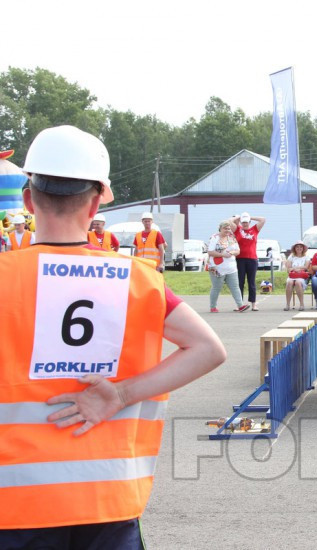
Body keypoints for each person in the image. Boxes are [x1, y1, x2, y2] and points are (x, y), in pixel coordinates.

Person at [0, 125, 226, 547]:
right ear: (95, 204)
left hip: (13, 504)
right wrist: (121, 394)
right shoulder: (138, 280)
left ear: (28, 200)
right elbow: (208, 349)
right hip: (108, 497)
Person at [206, 221, 249, 313]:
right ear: (220, 229)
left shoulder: (232, 237)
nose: (227, 230)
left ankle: (240, 305)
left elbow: (238, 251)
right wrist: (223, 255)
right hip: (217, 268)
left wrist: (233, 252)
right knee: (216, 288)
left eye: (229, 229)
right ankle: (213, 307)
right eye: (225, 228)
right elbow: (210, 252)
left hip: (231, 268)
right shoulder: (214, 238)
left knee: (235, 287)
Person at [231, 211, 266, 311]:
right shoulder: (238, 229)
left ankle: (253, 304)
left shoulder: (254, 229)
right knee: (240, 282)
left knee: (251, 282)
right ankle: (240, 304)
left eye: (246, 222)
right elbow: (229, 221)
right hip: (240, 259)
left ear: (249, 222)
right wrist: (238, 217)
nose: (245, 224)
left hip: (252, 259)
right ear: (241, 222)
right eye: (243, 222)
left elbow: (263, 219)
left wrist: (250, 217)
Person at [284, 241, 310, 310]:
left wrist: (298, 268)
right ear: (295, 248)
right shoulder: (291, 256)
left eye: (301, 247)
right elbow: (288, 268)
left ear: (303, 248)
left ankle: (301, 304)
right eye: (297, 247)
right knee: (289, 283)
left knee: (298, 282)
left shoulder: (306, 257)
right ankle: (287, 304)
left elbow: (306, 267)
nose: (299, 248)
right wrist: (295, 269)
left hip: (302, 276)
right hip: (293, 275)